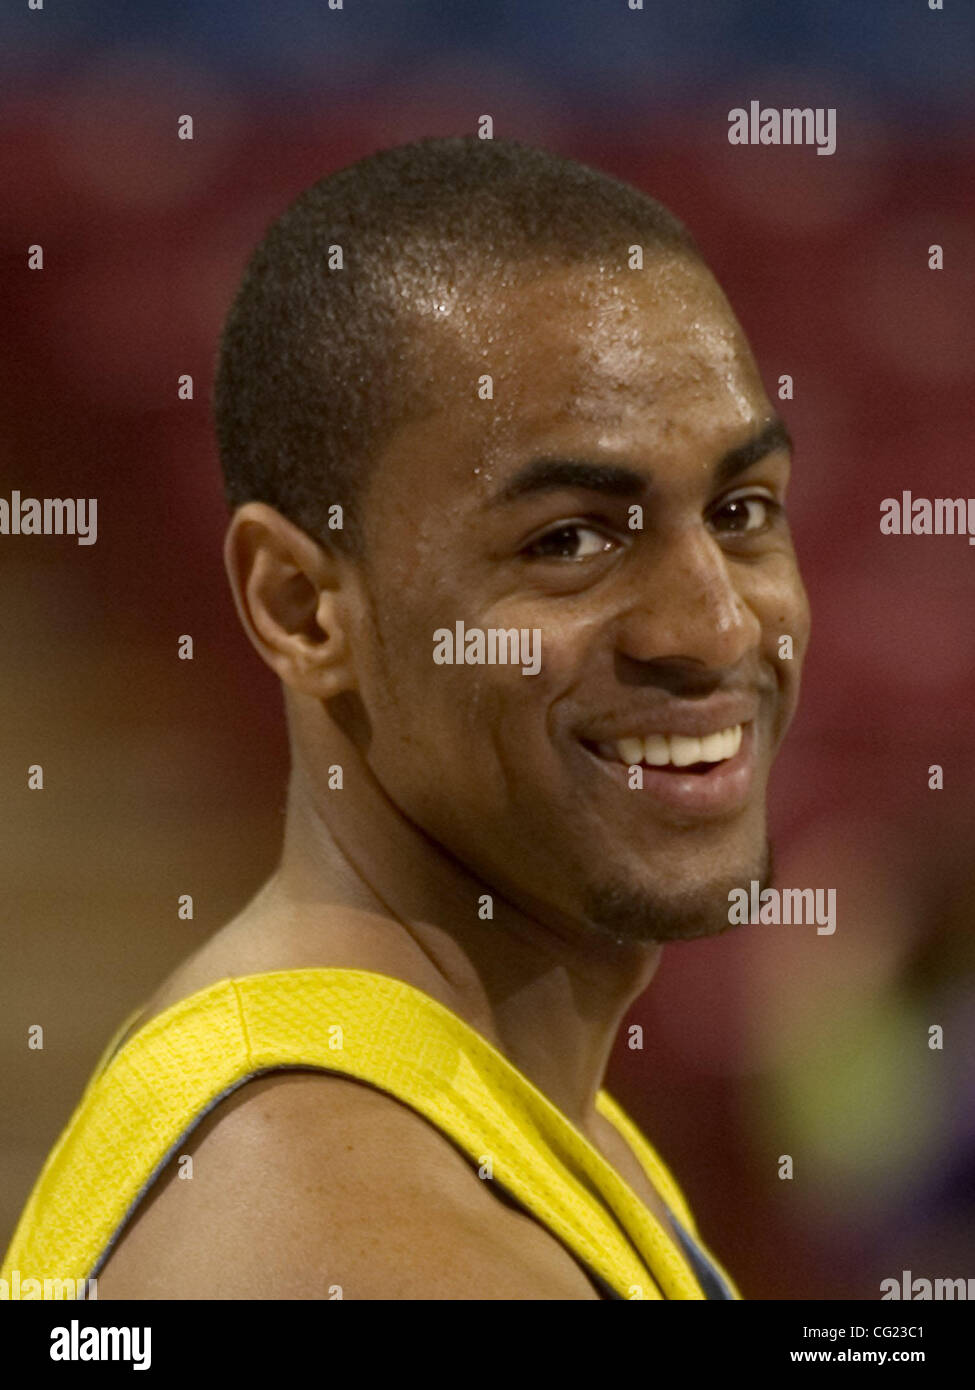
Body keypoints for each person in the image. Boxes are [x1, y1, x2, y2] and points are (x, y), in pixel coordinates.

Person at [2, 135, 809, 1300]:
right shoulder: (344, 1230)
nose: (717, 627)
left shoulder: (488, 1119)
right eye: (569, 540)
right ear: (301, 605)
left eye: (741, 510)